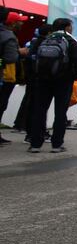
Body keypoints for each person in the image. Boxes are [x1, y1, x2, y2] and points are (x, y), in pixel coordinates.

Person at [28, 18, 77, 153]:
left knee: (40, 111)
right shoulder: (71, 42)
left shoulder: (42, 40)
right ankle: (56, 144)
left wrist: (37, 76)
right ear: (67, 28)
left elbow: (31, 58)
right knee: (60, 112)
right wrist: (72, 77)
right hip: (63, 81)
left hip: (42, 81)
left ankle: (35, 143)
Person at [0, 10, 28, 145]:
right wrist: (20, 52)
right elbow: (10, 58)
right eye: (20, 21)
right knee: (1, 105)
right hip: (5, 77)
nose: (22, 24)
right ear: (12, 23)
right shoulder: (9, 36)